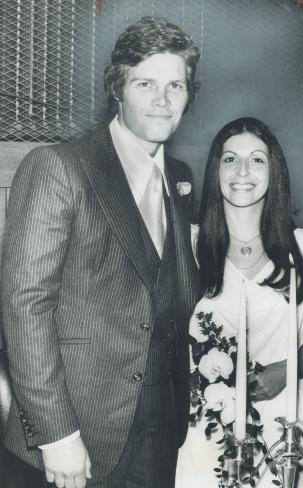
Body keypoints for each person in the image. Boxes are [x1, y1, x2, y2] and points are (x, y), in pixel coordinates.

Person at [1, 16, 200, 488]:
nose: (161, 99)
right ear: (118, 88)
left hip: (161, 429)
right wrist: (56, 434)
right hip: (77, 436)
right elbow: (23, 306)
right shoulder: (58, 167)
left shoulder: (181, 178)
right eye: (145, 82)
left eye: (176, 85)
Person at [175, 117, 303, 488]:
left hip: (281, 432)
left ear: (274, 171)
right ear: (215, 171)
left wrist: (288, 369)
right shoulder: (186, 247)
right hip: (201, 432)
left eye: (257, 159)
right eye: (230, 159)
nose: (243, 170)